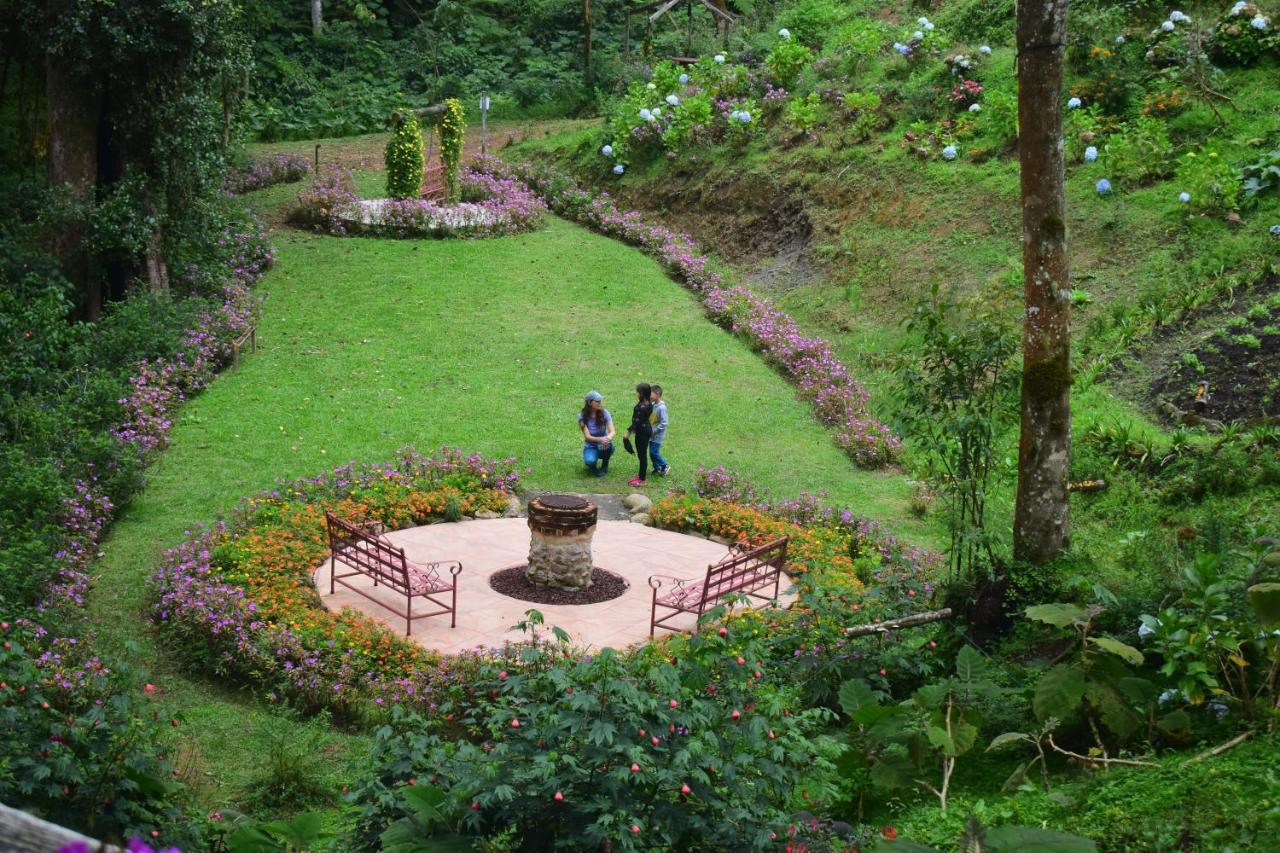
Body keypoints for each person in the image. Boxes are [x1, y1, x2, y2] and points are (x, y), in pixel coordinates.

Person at [578, 391, 615, 477]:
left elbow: (612, 431)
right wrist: (601, 439)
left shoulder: (605, 413)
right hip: (591, 446)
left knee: (609, 446)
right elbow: (587, 437)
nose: (600, 403)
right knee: (590, 461)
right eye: (597, 401)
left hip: (604, 445)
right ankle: (593, 468)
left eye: (600, 401)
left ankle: (605, 465)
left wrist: (608, 438)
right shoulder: (582, 416)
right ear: (589, 402)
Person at [624, 383, 654, 487]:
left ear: (641, 393)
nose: (636, 393)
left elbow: (637, 421)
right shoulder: (647, 402)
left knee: (642, 455)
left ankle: (642, 479)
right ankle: (641, 476)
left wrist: (628, 432)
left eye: (638, 392)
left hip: (643, 431)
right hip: (645, 429)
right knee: (642, 454)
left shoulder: (643, 405)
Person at [648, 384, 670, 477]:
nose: (649, 396)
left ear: (657, 394)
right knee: (651, 453)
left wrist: (655, 431)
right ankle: (657, 468)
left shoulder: (662, 408)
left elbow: (664, 423)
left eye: (651, 394)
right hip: (651, 434)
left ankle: (665, 465)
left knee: (653, 452)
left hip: (657, 435)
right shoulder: (653, 405)